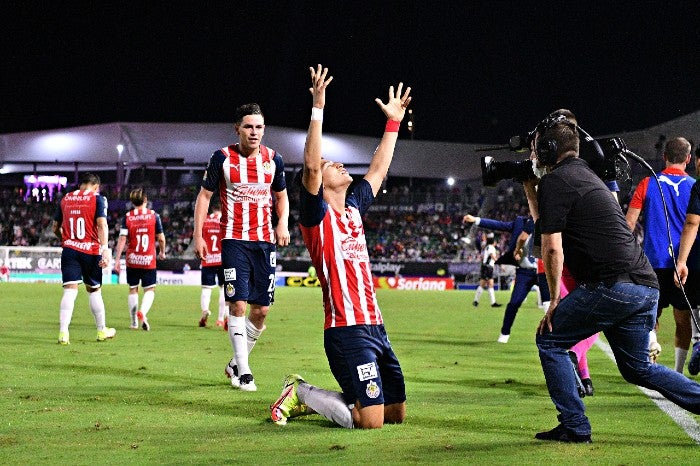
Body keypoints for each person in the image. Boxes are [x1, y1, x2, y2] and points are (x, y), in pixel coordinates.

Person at [523, 114, 700, 443]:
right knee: (637, 369)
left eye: (535, 150)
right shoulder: (585, 176)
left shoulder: (555, 181)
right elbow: (543, 227)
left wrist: (555, 301)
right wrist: (530, 189)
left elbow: (550, 248)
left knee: (550, 340)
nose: (532, 157)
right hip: (644, 286)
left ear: (548, 150)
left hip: (612, 286)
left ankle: (575, 425)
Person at [269, 64, 410, 429]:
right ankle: (300, 392)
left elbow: (378, 170)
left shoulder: (353, 208)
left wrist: (392, 123)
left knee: (395, 415)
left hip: (376, 326)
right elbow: (312, 169)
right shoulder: (316, 217)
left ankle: (346, 400)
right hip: (346, 330)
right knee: (370, 422)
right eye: (334, 165)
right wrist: (318, 105)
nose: (340, 165)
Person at [193, 102, 291, 392]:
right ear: (237, 129)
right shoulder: (221, 158)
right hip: (234, 239)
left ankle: (235, 362)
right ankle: (245, 372)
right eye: (248, 126)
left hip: (264, 242)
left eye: (259, 127)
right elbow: (204, 197)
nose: (254, 132)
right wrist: (198, 235)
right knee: (236, 304)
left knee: (261, 311)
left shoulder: (274, 159)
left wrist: (282, 222)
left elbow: (282, 197)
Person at [625, 136, 699, 372]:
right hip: (683, 263)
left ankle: (651, 346)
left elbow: (628, 225)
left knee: (649, 316)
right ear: (688, 159)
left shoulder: (648, 183)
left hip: (652, 262)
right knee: (683, 319)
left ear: (665, 157)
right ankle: (677, 372)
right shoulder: (695, 186)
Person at [52, 173, 116, 345]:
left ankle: (63, 333)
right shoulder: (98, 199)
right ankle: (101, 330)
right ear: (96, 187)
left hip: (70, 250)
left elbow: (55, 227)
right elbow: (102, 224)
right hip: (91, 251)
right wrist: (105, 249)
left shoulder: (66, 198)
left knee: (69, 291)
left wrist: (65, 240)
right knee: (94, 290)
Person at [464, 213, 537, 342]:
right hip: (524, 272)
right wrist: (476, 220)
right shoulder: (521, 222)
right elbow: (498, 225)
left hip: (547, 271)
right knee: (514, 303)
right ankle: (504, 334)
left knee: (553, 305)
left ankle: (556, 340)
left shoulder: (552, 221)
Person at [113, 188, 166, 331]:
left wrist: (117, 260)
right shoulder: (154, 216)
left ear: (132, 201)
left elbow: (122, 239)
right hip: (148, 259)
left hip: (132, 259)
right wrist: (162, 252)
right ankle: (142, 311)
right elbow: (160, 238)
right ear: (146, 200)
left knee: (133, 289)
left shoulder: (128, 217)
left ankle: (133, 322)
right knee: (150, 289)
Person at [674, 153, 700, 376]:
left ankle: (698, 340)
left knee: (693, 301)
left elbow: (692, 222)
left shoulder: (698, 186)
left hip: (697, 257)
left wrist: (681, 260)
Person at [198, 202, 227, 328]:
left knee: (206, 288)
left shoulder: (205, 220)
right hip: (223, 260)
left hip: (207, 258)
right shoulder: (225, 220)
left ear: (213, 209)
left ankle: (205, 310)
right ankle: (221, 319)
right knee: (223, 289)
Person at [472, 233, 502, 308]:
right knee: (487, 284)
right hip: (487, 268)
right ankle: (491, 303)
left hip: (486, 267)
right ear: (493, 242)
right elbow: (492, 256)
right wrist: (500, 264)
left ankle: (478, 301)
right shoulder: (491, 247)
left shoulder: (488, 247)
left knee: (486, 284)